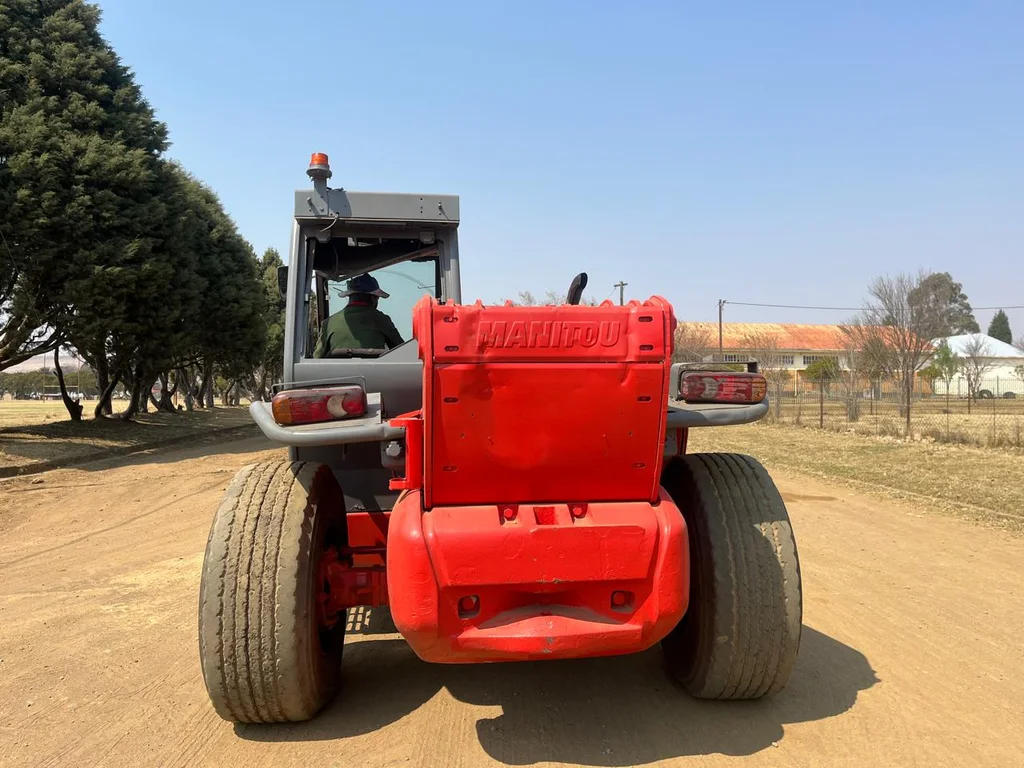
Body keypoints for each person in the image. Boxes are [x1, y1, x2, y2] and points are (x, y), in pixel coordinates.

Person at [312, 273, 404, 357]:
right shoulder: (382, 319)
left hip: (336, 375)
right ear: (373, 298)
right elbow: (402, 351)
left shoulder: (329, 323)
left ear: (349, 296)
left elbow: (317, 358)